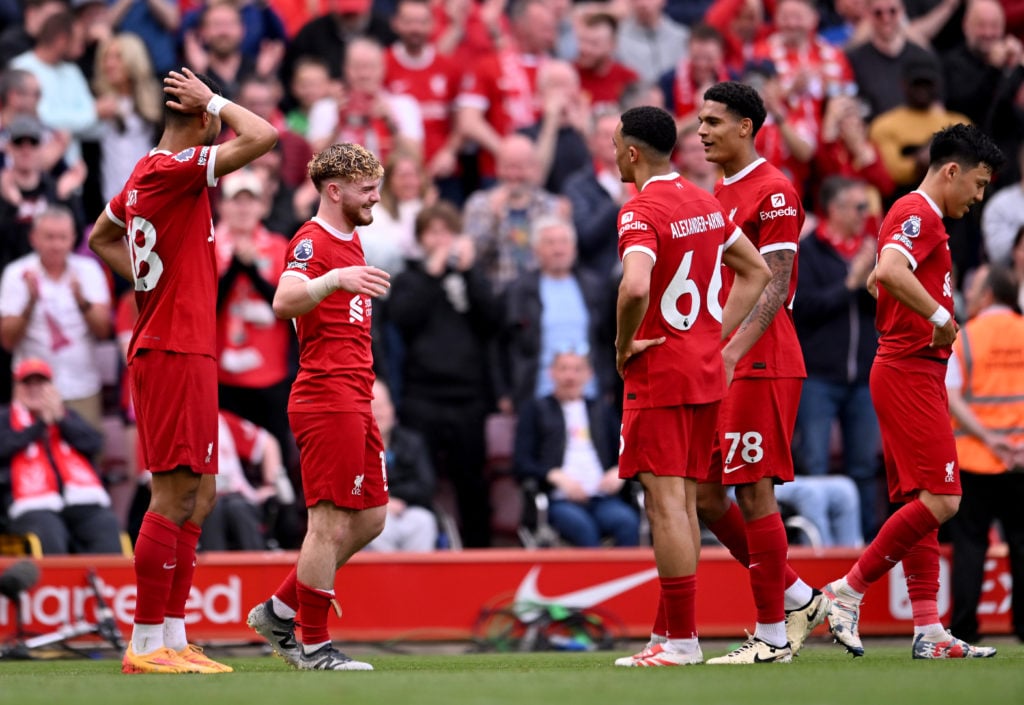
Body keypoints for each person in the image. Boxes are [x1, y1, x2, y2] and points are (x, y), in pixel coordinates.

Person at [88, 67, 278, 674]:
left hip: (182, 345)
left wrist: (150, 284)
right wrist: (218, 99)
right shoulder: (172, 169)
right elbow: (265, 135)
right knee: (172, 495)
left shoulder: (144, 176)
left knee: (201, 496)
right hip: (172, 349)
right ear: (202, 124)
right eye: (212, 123)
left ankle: (171, 635)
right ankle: (145, 645)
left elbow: (101, 237)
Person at [820, 123, 1004, 660]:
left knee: (919, 502)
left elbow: (886, 277)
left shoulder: (916, 217)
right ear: (952, 171)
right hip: (909, 370)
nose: (979, 195)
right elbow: (889, 269)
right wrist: (939, 313)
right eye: (978, 182)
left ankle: (928, 629)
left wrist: (911, 301)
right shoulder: (918, 213)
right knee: (945, 499)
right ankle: (845, 591)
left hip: (908, 368)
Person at [611, 105, 771, 667]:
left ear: (632, 152)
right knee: (683, 502)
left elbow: (634, 287)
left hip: (659, 372)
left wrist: (623, 342)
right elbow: (758, 272)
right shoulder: (706, 201)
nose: (612, 154)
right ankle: (671, 635)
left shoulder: (640, 211)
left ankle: (680, 641)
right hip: (703, 371)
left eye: (615, 144)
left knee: (667, 507)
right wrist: (713, 338)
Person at [245, 143, 391, 671]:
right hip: (327, 396)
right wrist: (333, 280)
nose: (376, 196)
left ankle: (280, 611)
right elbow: (284, 300)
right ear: (334, 191)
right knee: (326, 523)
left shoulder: (351, 239)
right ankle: (313, 644)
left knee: (371, 517)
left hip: (355, 394)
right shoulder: (312, 241)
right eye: (366, 188)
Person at [694, 81, 824, 664]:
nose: (701, 131)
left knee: (753, 489)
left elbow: (775, 286)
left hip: (762, 357)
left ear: (746, 126)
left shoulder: (774, 191)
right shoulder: (722, 189)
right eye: (700, 121)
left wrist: (728, 350)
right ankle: (797, 593)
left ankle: (772, 637)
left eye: (713, 122)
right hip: (725, 355)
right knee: (704, 491)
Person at [388, 201, 501, 548]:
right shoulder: (410, 278)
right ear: (421, 239)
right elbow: (402, 319)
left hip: (469, 397)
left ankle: (479, 552)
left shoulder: (472, 275)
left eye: (446, 232)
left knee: (472, 481)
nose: (440, 240)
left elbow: (492, 320)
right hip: (423, 396)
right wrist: (432, 275)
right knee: (424, 480)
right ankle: (430, 547)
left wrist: (467, 274)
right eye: (432, 233)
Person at [792, 176, 882, 541]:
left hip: (862, 377)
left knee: (864, 466)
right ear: (835, 209)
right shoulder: (808, 251)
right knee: (813, 464)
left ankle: (863, 549)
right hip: (818, 376)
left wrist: (872, 282)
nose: (866, 214)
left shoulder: (869, 251)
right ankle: (816, 544)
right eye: (859, 207)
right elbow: (804, 307)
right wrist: (851, 283)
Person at [945, 263, 1024, 644]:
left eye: (974, 289)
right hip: (1020, 462)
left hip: (974, 459)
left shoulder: (967, 337)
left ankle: (964, 629)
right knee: (1022, 544)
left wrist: (990, 439)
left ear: (989, 294)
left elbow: (952, 397)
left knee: (971, 546)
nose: (970, 296)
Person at [0, 205, 111, 430]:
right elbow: (7, 341)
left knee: (86, 460)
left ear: (73, 238)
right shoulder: (16, 273)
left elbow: (103, 331)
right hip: (32, 391)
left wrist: (81, 300)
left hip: (83, 388)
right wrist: (29, 303)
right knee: (31, 461)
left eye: (62, 237)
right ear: (34, 238)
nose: (56, 245)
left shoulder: (89, 270)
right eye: (49, 237)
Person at [513, 350, 638, 547]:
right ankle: (596, 578)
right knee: (582, 527)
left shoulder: (602, 410)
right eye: (563, 369)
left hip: (602, 497)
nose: (570, 376)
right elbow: (521, 462)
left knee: (627, 521)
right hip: (559, 500)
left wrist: (619, 471)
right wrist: (553, 475)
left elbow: (630, 450)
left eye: (577, 369)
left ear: (589, 374)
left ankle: (628, 578)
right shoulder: (535, 410)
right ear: (551, 373)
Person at [0, 358, 122, 555]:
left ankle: (107, 585)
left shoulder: (67, 415)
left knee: (106, 525)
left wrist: (59, 420)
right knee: (49, 532)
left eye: (41, 383)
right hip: (30, 504)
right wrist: (39, 425)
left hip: (80, 500)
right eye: (27, 383)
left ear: (52, 387)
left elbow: (94, 443)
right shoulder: (5, 417)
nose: (34, 389)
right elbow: (4, 447)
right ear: (16, 388)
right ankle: (55, 586)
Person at [364, 379, 438, 552]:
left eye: (382, 406)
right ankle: (387, 579)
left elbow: (426, 485)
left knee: (424, 522)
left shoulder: (413, 443)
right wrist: (381, 503)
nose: (379, 414)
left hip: (407, 510)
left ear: (392, 409)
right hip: (367, 513)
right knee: (376, 528)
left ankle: (418, 579)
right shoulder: (349, 448)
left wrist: (393, 498)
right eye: (372, 408)